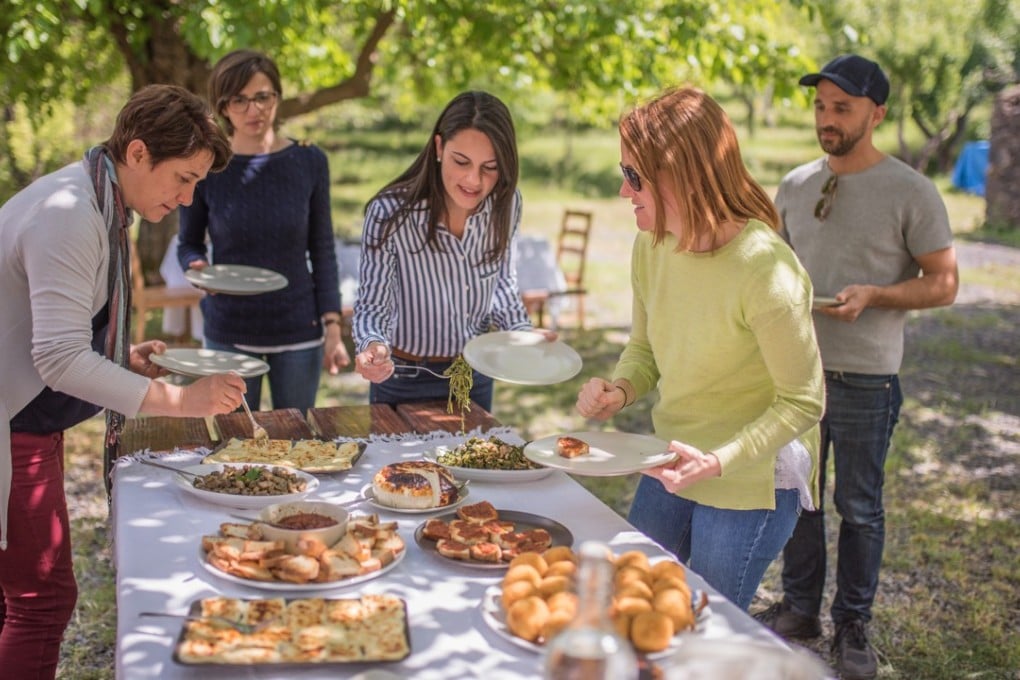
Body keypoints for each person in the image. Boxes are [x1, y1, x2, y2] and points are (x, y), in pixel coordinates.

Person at [0, 84, 245, 680]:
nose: (188, 199)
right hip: (14, 426)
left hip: (22, 411)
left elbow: (46, 331)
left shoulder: (91, 195)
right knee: (42, 601)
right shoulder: (72, 216)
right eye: (183, 178)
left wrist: (119, 356)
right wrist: (180, 401)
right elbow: (58, 358)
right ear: (137, 153)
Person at [575, 87, 825, 611]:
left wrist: (718, 460)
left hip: (751, 476)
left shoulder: (766, 270)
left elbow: (804, 402)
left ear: (683, 176)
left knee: (703, 621)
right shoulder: (652, 244)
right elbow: (644, 348)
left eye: (635, 176)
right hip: (673, 457)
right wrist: (619, 392)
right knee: (627, 600)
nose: (625, 192)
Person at [754, 55, 959, 680]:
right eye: (820, 106)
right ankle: (798, 609)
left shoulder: (911, 191)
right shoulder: (792, 185)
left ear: (878, 113)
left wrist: (876, 294)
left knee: (860, 506)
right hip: (799, 376)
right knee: (801, 496)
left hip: (868, 377)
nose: (827, 118)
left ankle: (852, 625)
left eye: (841, 108)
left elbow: (944, 283)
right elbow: (772, 267)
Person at [178, 49, 349, 413]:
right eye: (239, 100)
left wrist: (332, 326)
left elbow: (322, 248)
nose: (253, 109)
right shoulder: (207, 166)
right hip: (229, 332)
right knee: (234, 443)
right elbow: (188, 243)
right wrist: (196, 266)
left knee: (298, 443)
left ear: (277, 98)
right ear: (223, 106)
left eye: (262, 97)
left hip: (298, 329)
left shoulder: (309, 161)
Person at [353, 91, 544, 410]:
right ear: (439, 147)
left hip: (475, 376)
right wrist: (373, 346)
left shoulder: (507, 204)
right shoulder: (390, 213)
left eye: (490, 167)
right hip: (402, 381)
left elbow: (501, 285)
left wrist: (522, 335)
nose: (474, 180)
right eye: (462, 162)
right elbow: (374, 303)